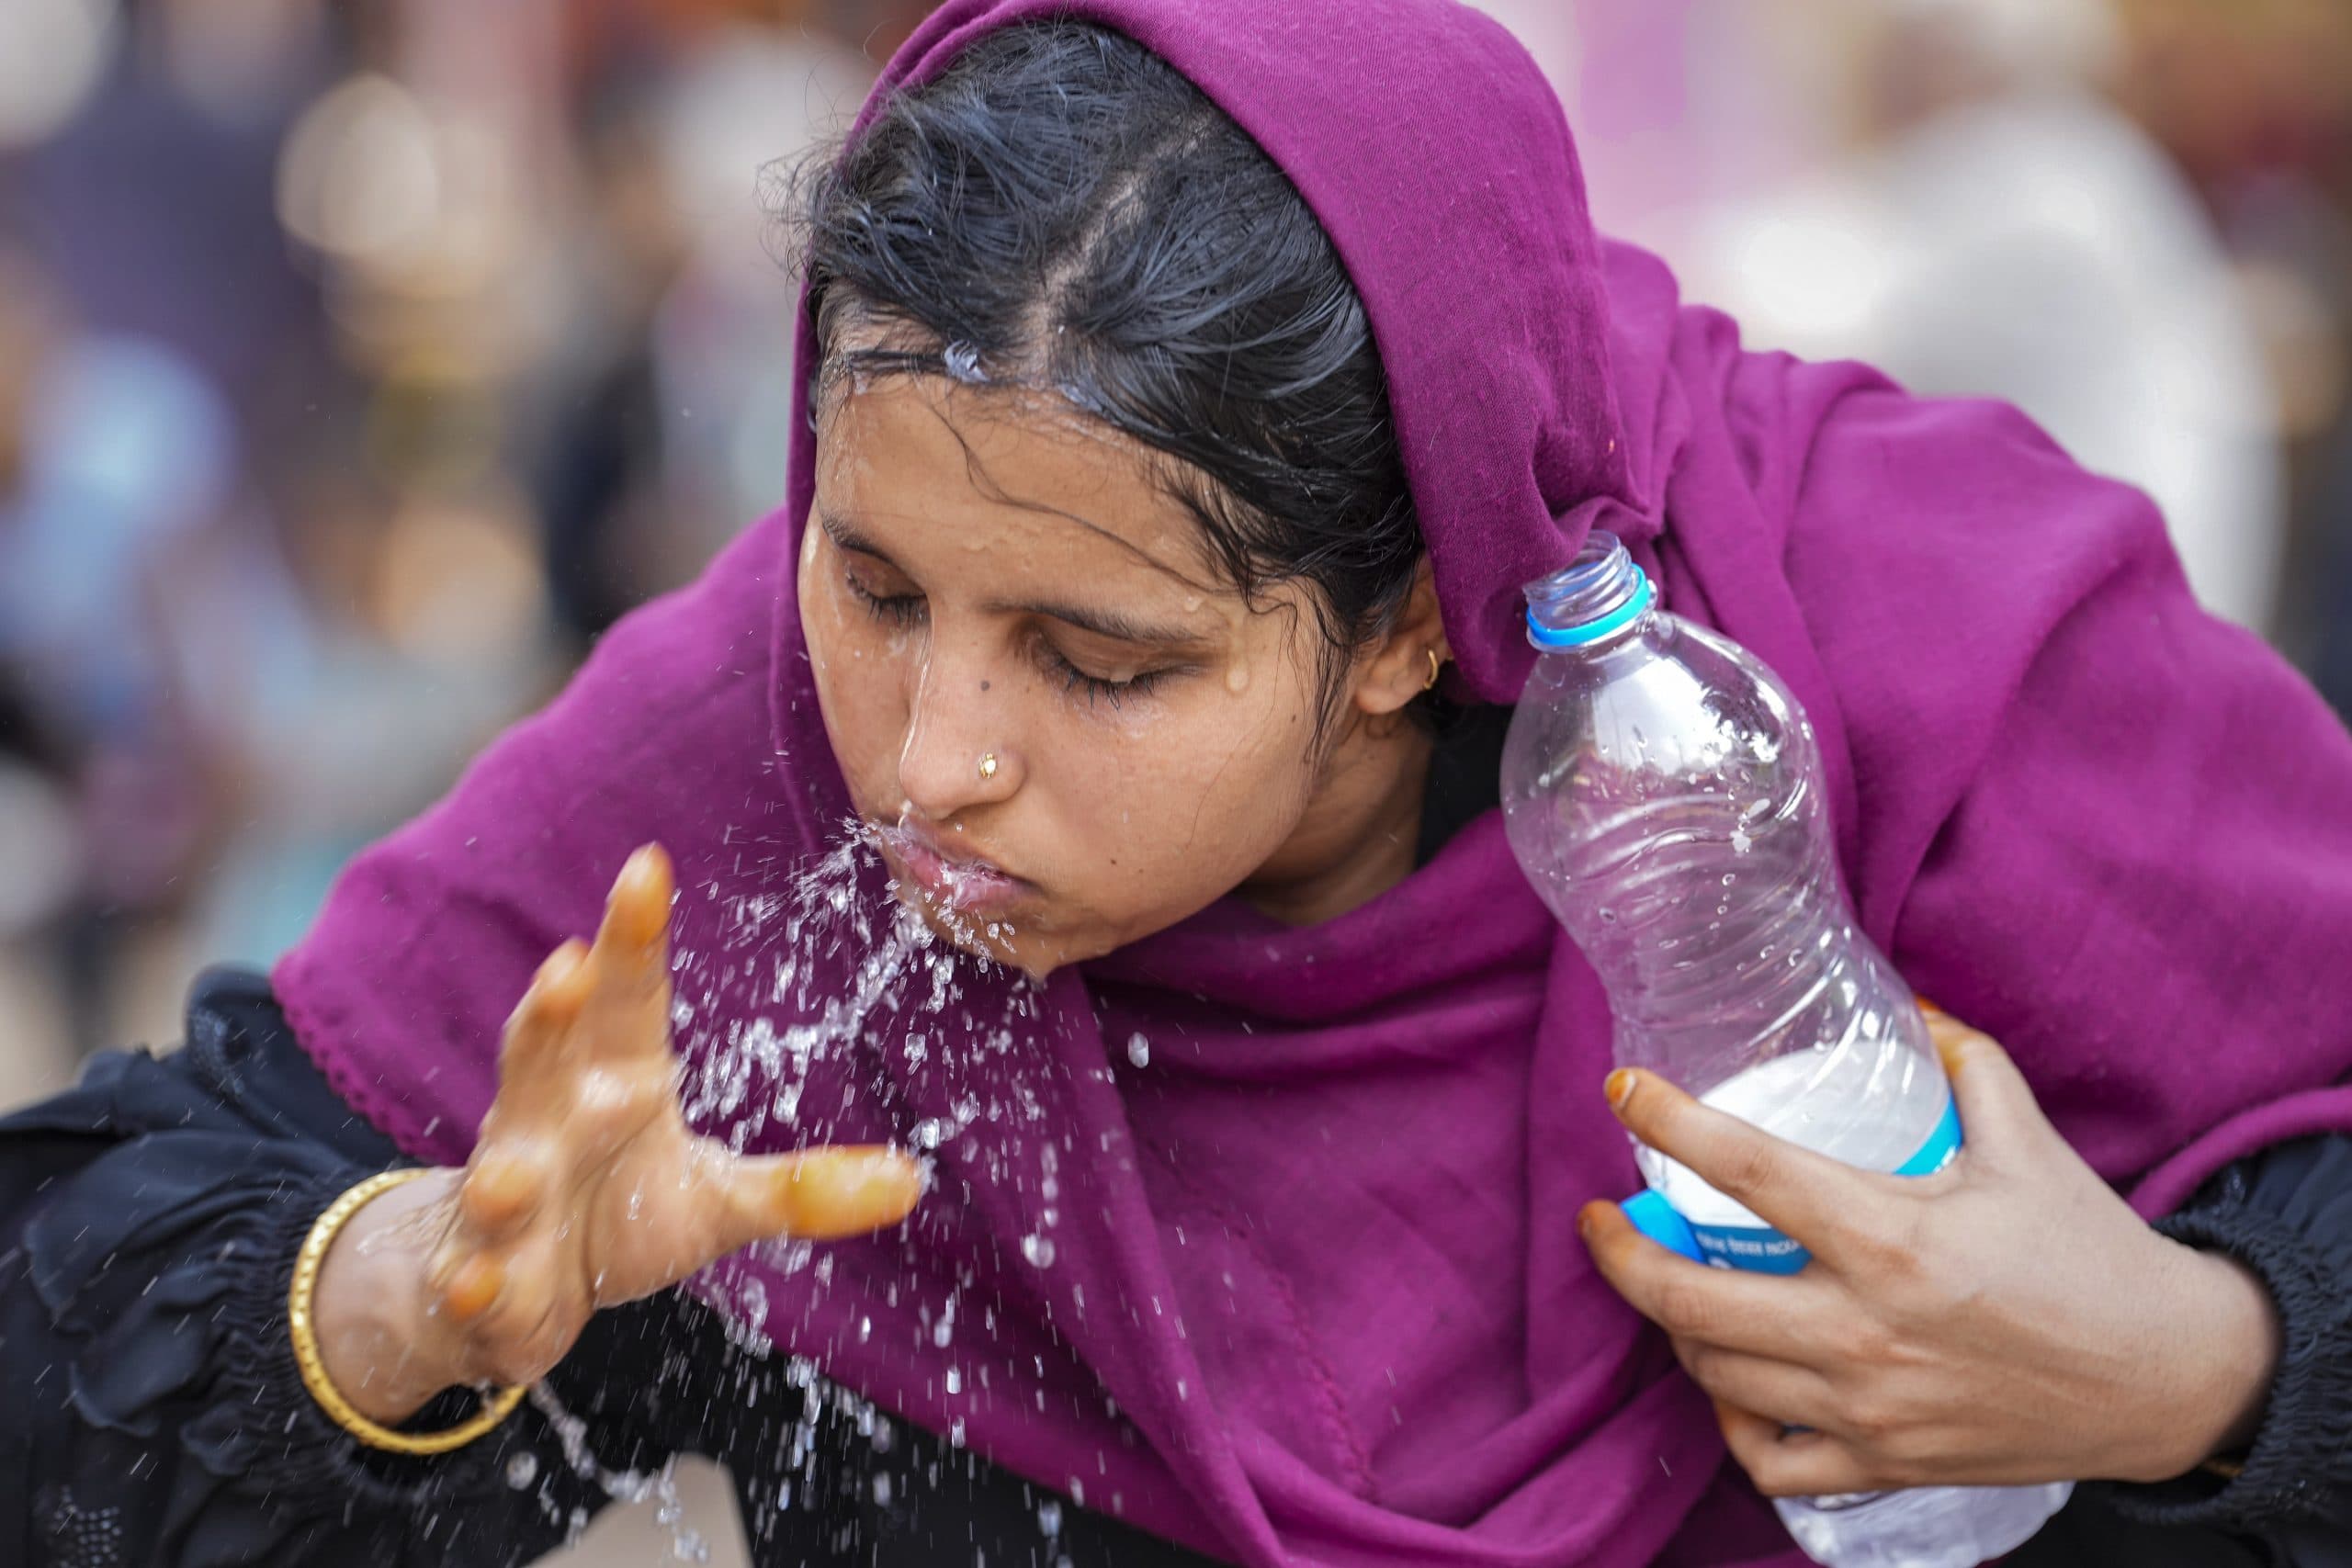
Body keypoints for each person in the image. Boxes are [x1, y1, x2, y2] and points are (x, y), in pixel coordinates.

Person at [8, 3, 2352, 1565]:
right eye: (872, 581)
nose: (929, 765)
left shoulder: (1923, 640)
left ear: (1424, 611)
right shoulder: (725, 778)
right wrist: (414, 1291)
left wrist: (2188, 1366)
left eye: (1102, 661)